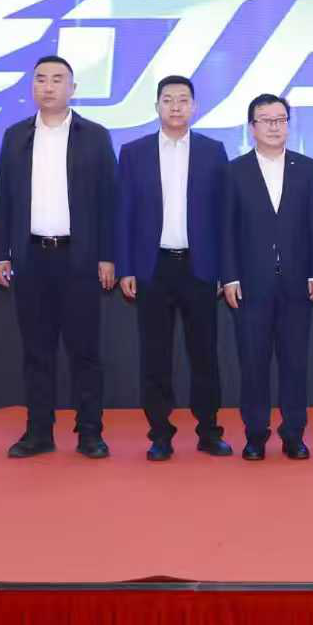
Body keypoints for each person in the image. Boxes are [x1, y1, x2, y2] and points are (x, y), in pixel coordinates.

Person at [0, 55, 117, 459]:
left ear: (72, 88)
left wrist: (108, 256)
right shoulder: (15, 136)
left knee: (85, 351)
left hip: (80, 258)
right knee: (36, 351)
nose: (48, 86)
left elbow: (109, 201)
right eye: (41, 79)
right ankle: (38, 432)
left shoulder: (95, 136)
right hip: (30, 258)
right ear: (32, 87)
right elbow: (3, 199)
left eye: (58, 79)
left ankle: (90, 432)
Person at [115, 75, 233, 461]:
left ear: (194, 107)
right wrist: (126, 267)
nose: (176, 106)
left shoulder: (213, 151)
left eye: (183, 99)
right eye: (168, 99)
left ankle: (209, 431)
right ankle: (160, 434)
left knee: (204, 354)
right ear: (157, 106)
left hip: (200, 267)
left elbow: (224, 217)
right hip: (153, 268)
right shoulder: (134, 153)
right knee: (155, 356)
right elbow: (124, 214)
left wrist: (224, 270)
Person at [220, 94, 313, 461]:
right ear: (252, 127)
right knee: (253, 363)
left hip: (297, 283)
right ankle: (255, 434)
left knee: (295, 364)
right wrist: (229, 277)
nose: (274, 126)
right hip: (251, 285)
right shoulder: (234, 171)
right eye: (265, 120)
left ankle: (294, 434)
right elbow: (226, 229)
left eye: (280, 119)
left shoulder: (307, 168)